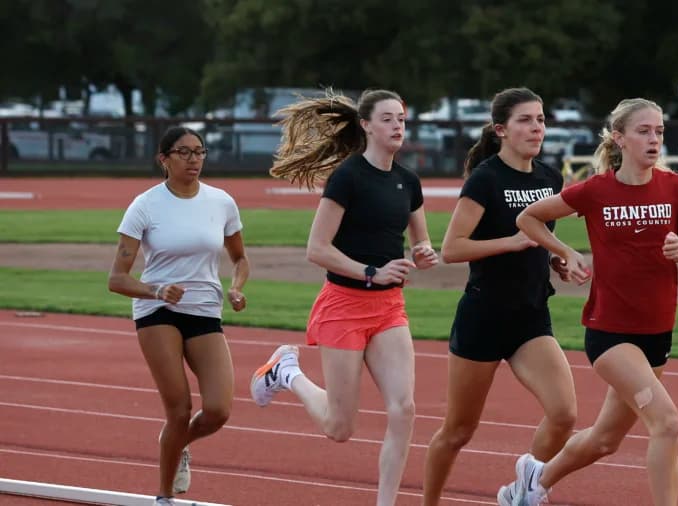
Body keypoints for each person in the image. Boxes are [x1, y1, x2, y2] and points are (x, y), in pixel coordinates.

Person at [507, 98, 678, 506]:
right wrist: (565, 251)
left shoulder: (677, 189)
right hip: (610, 333)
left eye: (659, 131)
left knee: (605, 440)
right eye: (644, 131)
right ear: (619, 138)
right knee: (667, 423)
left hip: (656, 335)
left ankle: (533, 481)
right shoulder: (596, 190)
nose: (654, 139)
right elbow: (528, 218)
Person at [249, 89, 439, 506]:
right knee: (340, 427)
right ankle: (286, 372)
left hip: (389, 308)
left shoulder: (409, 181)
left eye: (402, 119)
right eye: (388, 119)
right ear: (367, 125)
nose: (397, 126)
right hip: (344, 305)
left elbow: (421, 242)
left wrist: (424, 253)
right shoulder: (348, 177)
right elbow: (317, 249)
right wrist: (371, 272)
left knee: (404, 409)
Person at [421, 88, 577, 506]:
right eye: (526, 120)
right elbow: (451, 249)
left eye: (541, 119)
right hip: (484, 317)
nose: (537, 127)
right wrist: (510, 242)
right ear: (502, 130)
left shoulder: (549, 178)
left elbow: (542, 238)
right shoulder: (486, 179)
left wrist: (555, 261)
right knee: (458, 430)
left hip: (530, 316)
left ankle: (522, 491)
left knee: (564, 414)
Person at [108, 126, 249, 506]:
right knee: (180, 408)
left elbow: (239, 258)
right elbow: (116, 279)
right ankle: (164, 496)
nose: (194, 160)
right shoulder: (145, 205)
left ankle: (177, 442)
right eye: (184, 152)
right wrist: (156, 290)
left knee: (218, 410)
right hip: (158, 310)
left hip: (204, 308)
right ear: (164, 159)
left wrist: (236, 287)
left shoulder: (221, 202)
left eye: (199, 152)